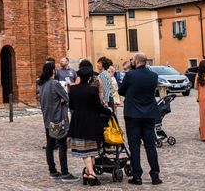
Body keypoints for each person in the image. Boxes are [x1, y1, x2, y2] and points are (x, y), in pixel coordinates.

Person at [118, 52, 162, 185]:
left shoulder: (130, 75)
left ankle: (137, 176)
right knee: (150, 145)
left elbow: (121, 91)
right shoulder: (153, 76)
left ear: (136, 61)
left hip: (133, 115)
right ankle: (155, 175)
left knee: (134, 146)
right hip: (149, 114)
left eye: (132, 60)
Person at [68, 64, 111, 186]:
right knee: (89, 150)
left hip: (78, 121)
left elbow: (71, 106)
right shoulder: (92, 90)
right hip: (91, 122)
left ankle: (87, 172)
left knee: (89, 150)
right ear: (89, 78)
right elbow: (98, 107)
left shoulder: (73, 89)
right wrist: (108, 111)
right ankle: (91, 173)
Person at [37, 62, 77, 182]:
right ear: (53, 71)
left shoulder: (41, 84)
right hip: (57, 119)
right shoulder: (55, 83)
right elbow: (66, 98)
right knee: (62, 145)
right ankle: (65, 172)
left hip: (47, 119)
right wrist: (62, 103)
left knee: (50, 145)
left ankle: (52, 171)